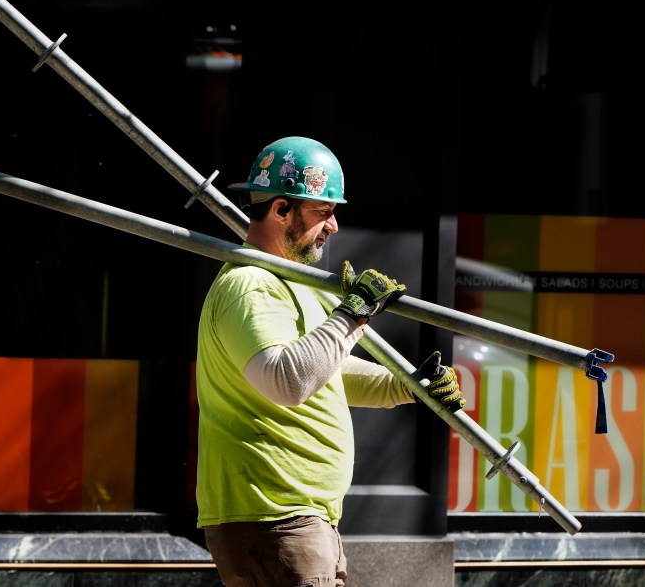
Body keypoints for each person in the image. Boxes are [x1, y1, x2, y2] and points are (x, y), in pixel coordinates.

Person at [194, 136, 466, 587]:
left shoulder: (293, 280)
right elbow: (286, 380)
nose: (334, 226)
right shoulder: (251, 285)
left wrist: (410, 384)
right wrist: (352, 313)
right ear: (282, 210)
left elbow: (326, 373)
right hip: (274, 516)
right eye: (323, 212)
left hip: (298, 518)